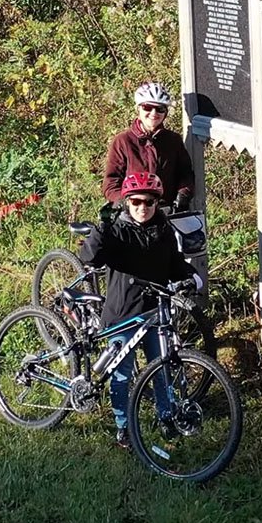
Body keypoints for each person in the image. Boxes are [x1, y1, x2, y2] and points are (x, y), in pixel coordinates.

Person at [79, 171, 203, 448]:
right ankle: (123, 427)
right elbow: (89, 257)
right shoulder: (116, 230)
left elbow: (175, 264)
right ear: (126, 202)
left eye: (149, 202)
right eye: (135, 202)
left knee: (162, 369)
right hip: (123, 315)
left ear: (157, 203)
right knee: (121, 376)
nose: (142, 208)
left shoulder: (164, 230)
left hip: (155, 311)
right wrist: (101, 228)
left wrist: (190, 277)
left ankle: (166, 418)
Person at [102, 81, 194, 209]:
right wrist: (125, 203)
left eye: (160, 109)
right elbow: (111, 182)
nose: (153, 113)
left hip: (166, 213)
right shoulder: (123, 141)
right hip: (133, 213)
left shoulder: (173, 140)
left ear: (165, 113)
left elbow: (186, 175)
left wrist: (183, 195)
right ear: (138, 109)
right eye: (147, 107)